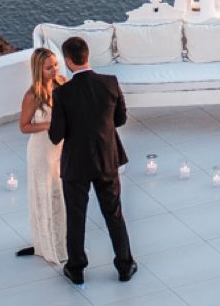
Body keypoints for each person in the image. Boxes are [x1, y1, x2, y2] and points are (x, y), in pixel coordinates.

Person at [49, 35, 137, 287]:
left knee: (76, 216)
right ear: (87, 56)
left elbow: (56, 135)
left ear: (68, 61)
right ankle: (124, 265)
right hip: (106, 159)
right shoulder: (110, 83)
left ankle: (76, 268)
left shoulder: (63, 94)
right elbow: (120, 119)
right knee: (114, 213)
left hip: (76, 164)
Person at [16, 47, 67, 265]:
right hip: (41, 151)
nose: (54, 70)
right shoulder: (32, 96)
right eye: (49, 68)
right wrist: (50, 124)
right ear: (39, 70)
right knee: (45, 195)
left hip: (61, 148)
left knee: (60, 196)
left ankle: (62, 241)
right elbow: (24, 127)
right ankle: (46, 245)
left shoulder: (63, 82)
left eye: (55, 65)